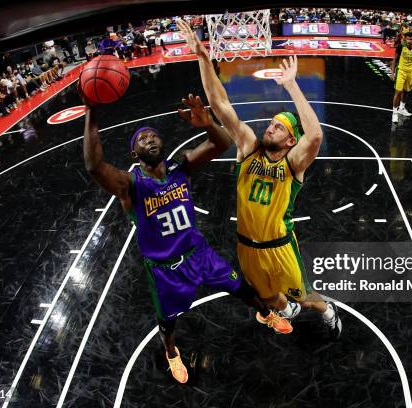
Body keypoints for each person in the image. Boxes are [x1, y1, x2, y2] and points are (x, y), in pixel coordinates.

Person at [80, 92, 292, 383]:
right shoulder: (129, 185)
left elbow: (222, 143)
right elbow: (94, 166)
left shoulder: (182, 167)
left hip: (199, 254)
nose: (151, 140)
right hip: (166, 270)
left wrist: (207, 123)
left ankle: (266, 314)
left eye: (154, 136)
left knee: (240, 285)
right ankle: (171, 353)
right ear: (134, 155)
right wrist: (91, 109)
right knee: (168, 321)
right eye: (143, 139)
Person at [178, 19, 342, 339]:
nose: (271, 127)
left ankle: (327, 310)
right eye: (272, 123)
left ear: (290, 141)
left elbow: (316, 135)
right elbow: (222, 105)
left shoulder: (293, 164)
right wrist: (202, 56)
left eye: (279, 127)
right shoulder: (249, 147)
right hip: (246, 247)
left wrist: (292, 85)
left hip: (280, 247)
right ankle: (287, 307)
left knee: (304, 298)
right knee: (267, 299)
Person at [390, 31, 412, 123]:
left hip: (410, 72)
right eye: (408, 39)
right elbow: (394, 60)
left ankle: (402, 108)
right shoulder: (401, 47)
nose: (409, 40)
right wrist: (392, 73)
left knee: (406, 91)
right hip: (401, 71)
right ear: (405, 39)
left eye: (411, 39)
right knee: (398, 92)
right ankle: (394, 113)